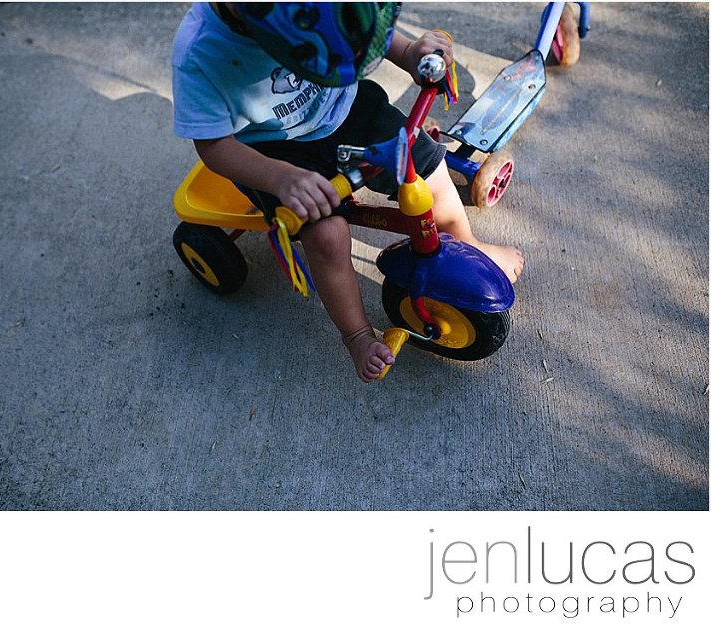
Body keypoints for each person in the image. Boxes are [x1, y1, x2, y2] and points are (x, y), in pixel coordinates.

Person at [172, 2, 524, 382]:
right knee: (326, 235)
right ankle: (356, 334)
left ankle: (463, 239)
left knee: (424, 163)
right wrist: (281, 178)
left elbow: (358, 28)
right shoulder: (200, 54)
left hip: (346, 107)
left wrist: (410, 53)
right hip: (272, 150)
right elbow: (213, 146)